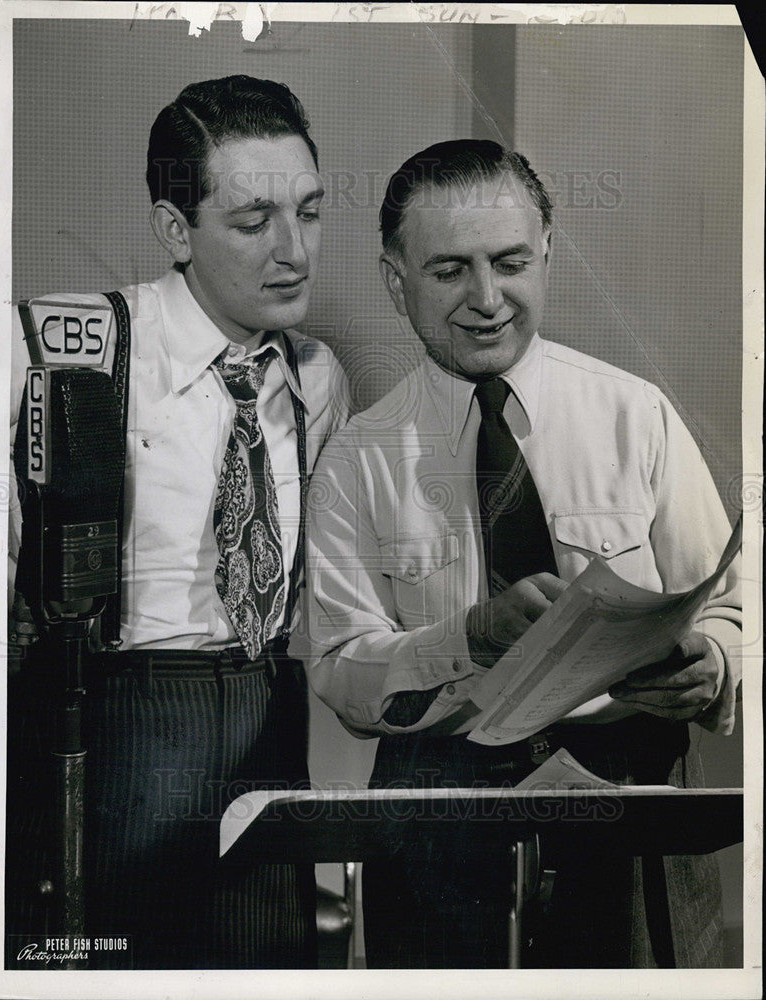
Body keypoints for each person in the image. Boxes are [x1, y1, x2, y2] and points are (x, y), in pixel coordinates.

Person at [302, 139, 741, 969]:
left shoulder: (634, 414)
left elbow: (732, 599)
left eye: (509, 262)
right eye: (448, 272)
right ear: (396, 282)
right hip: (436, 825)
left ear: (548, 250)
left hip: (629, 815)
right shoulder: (355, 460)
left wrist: (713, 662)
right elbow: (342, 675)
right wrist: (465, 638)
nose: (487, 299)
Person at [7, 75, 347, 969]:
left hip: (269, 723)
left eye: (309, 213)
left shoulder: (318, 378)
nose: (293, 251)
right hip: (109, 737)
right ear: (174, 229)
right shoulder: (58, 347)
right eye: (251, 222)